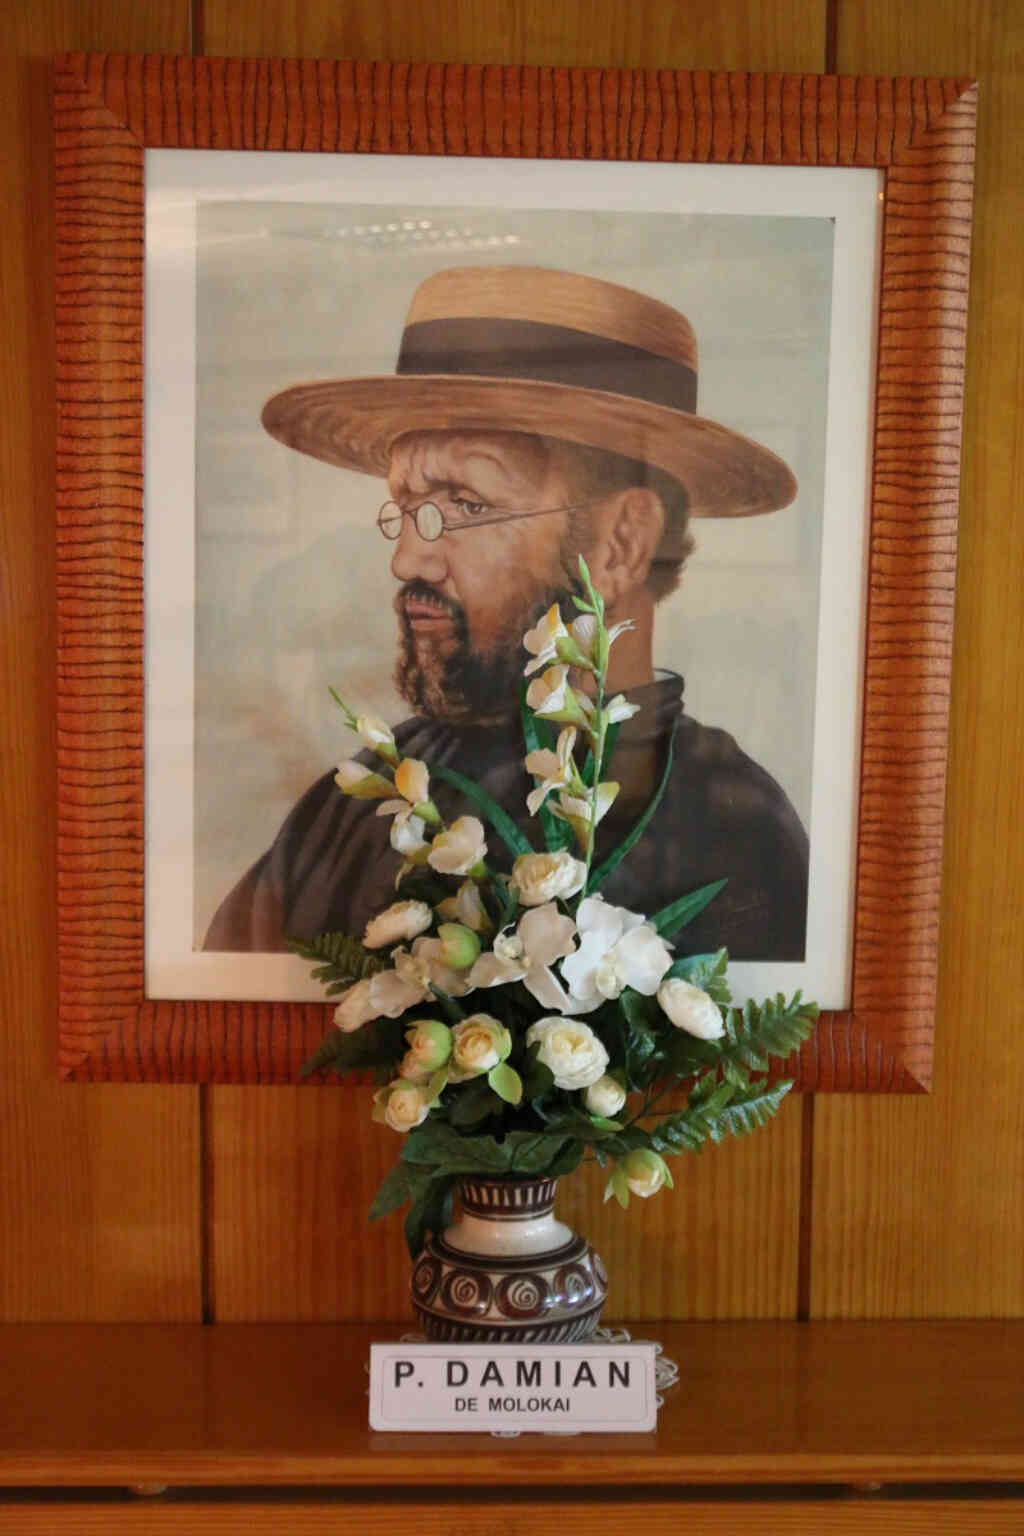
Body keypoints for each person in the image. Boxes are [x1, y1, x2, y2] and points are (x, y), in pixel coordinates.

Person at [204, 265, 809, 960]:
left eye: (467, 505)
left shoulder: (735, 832)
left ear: (621, 543)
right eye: (407, 509)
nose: (408, 561)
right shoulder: (358, 803)